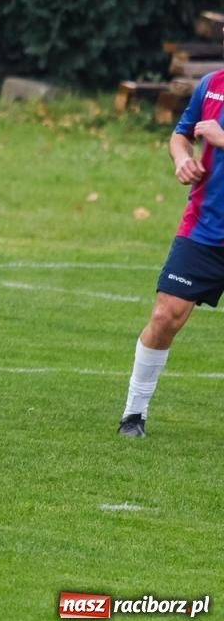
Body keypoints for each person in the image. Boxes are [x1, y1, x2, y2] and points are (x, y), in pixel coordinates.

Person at [116, 86, 224, 439]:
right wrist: (182, 158)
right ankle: (133, 415)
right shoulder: (211, 86)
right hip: (203, 230)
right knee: (165, 316)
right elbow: (181, 135)